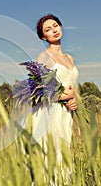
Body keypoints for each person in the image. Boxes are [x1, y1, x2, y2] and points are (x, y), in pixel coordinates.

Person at [30, 14, 79, 167]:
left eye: (55, 25)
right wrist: (65, 95)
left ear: (61, 26)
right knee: (52, 153)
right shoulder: (44, 56)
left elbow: (73, 86)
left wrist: (74, 100)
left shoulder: (70, 58)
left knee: (64, 152)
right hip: (50, 111)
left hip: (66, 112)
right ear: (43, 37)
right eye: (48, 29)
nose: (54, 30)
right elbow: (38, 92)